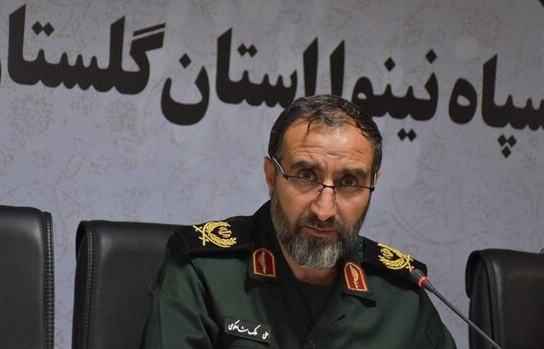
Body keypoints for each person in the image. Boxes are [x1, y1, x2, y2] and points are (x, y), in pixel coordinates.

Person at [141, 94, 456, 348]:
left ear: (373, 185)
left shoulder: (402, 296)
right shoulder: (203, 269)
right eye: (306, 176)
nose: (324, 210)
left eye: (349, 182)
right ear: (271, 176)